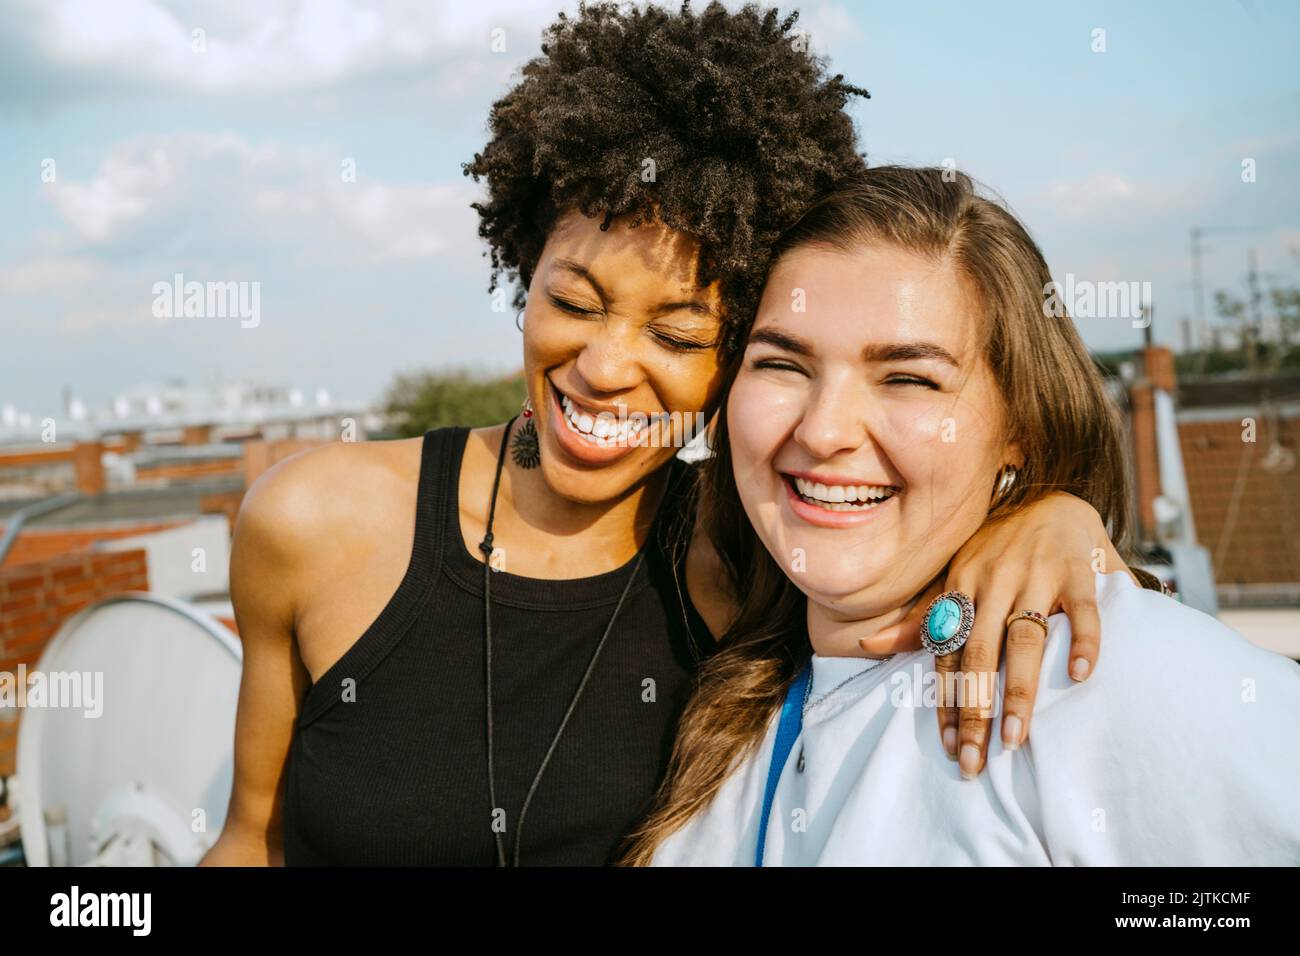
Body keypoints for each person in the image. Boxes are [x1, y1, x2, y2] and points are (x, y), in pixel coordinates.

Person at [202, 6, 1146, 868]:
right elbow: (252, 844)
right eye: (571, 301)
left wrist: (1052, 514)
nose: (606, 367)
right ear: (521, 269)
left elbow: (935, 516)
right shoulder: (313, 521)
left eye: (677, 335)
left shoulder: (764, 559)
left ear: (743, 355)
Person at [629, 166, 1300, 866]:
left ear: (1020, 429)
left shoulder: (1099, 672)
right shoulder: (724, 689)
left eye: (909, 378)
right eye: (783, 364)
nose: (824, 432)